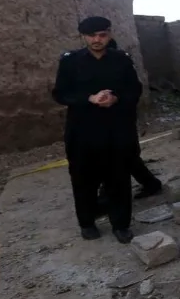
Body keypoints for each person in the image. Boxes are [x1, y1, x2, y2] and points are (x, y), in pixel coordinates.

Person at [52, 17, 142, 244]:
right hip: (82, 131)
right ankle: (87, 222)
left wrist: (116, 98)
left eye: (101, 35)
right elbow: (60, 94)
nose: (96, 40)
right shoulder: (70, 62)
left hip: (116, 129)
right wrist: (88, 98)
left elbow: (135, 89)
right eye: (91, 36)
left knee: (118, 177)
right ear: (83, 36)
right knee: (83, 179)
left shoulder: (121, 60)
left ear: (109, 35)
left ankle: (121, 225)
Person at [101, 39, 162, 200]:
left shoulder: (122, 66)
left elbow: (134, 90)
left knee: (123, 156)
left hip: (122, 118)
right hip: (105, 120)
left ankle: (107, 197)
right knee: (120, 157)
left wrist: (116, 99)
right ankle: (150, 184)